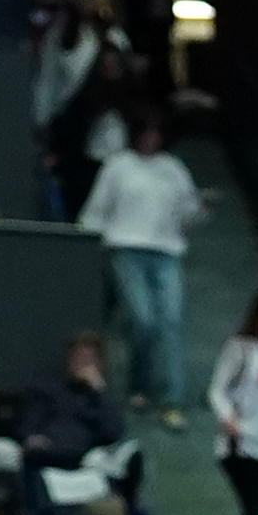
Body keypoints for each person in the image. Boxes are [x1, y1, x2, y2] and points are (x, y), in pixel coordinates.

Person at [79, 136, 204, 428]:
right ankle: (139, 384)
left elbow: (189, 211)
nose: (150, 140)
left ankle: (173, 399)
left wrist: (200, 209)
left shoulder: (173, 168)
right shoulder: (118, 165)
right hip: (125, 248)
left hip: (166, 251)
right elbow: (97, 209)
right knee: (143, 319)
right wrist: (85, 240)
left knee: (171, 320)